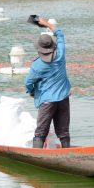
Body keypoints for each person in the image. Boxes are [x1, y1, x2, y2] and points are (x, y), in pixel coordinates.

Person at [24, 17, 72, 148]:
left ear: (40, 49)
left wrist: (31, 92)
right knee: (63, 132)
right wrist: (47, 24)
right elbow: (60, 33)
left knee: (40, 132)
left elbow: (28, 82)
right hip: (63, 98)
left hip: (47, 101)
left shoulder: (37, 65)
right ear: (53, 46)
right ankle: (66, 153)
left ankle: (37, 156)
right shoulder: (60, 54)